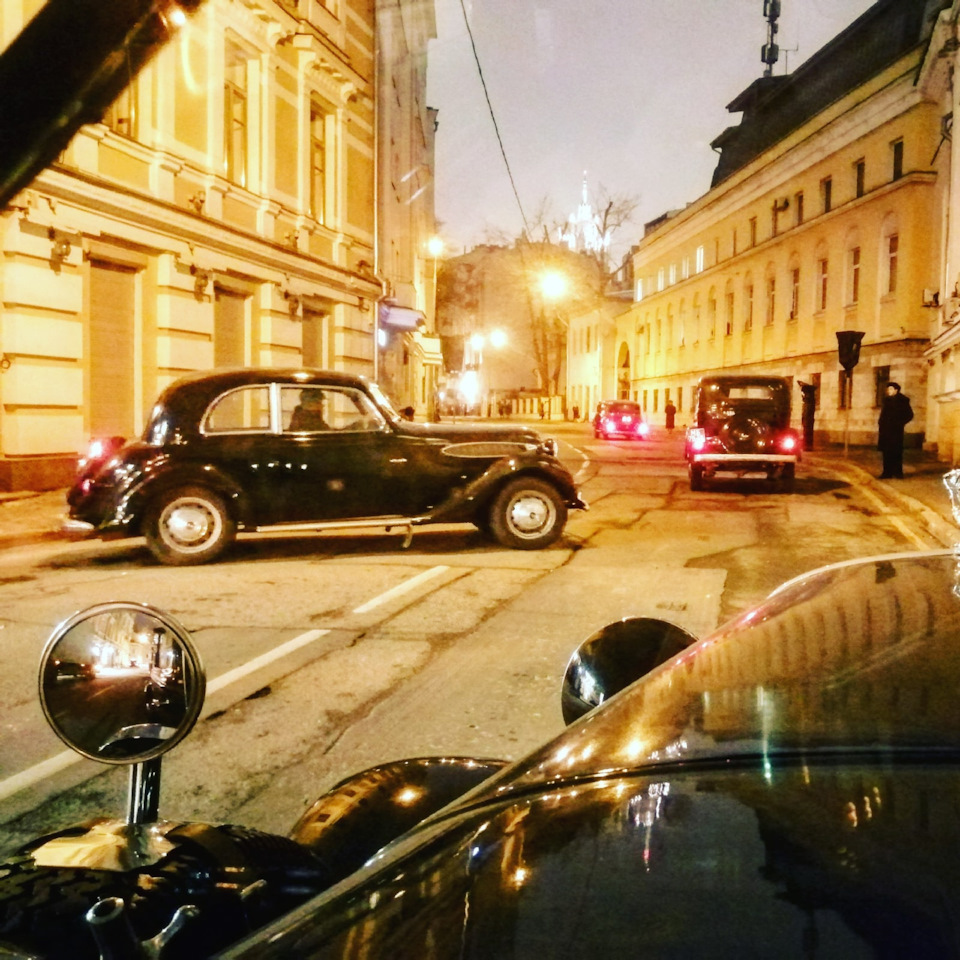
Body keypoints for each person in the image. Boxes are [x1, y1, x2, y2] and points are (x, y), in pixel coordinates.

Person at [877, 382, 913, 479]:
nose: (889, 391)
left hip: (896, 431)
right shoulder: (886, 400)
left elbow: (909, 415)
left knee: (896, 452)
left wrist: (899, 423)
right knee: (886, 452)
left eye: (891, 389)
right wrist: (881, 423)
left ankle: (898, 473)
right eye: (888, 389)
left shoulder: (903, 400)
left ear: (896, 390)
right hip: (885, 431)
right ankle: (887, 473)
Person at [799, 381, 817, 450]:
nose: (802, 395)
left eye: (803, 393)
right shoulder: (808, 401)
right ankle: (806, 446)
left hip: (808, 422)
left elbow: (807, 413)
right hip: (806, 421)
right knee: (806, 433)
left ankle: (807, 446)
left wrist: (804, 419)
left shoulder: (809, 402)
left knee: (807, 433)